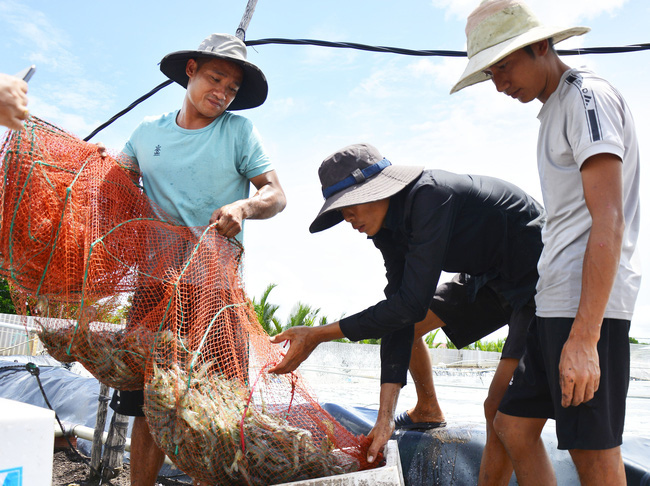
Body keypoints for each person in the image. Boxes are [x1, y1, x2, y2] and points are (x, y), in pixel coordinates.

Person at [270, 142, 545, 480]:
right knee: (408, 327)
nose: (347, 218)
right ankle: (427, 408)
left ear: (376, 189)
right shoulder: (387, 231)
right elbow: (401, 315)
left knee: (499, 411)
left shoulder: (431, 196)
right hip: (488, 274)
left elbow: (411, 303)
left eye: (349, 206)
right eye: (341, 212)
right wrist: (385, 418)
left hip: (537, 272)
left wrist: (319, 334)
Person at [450, 1, 641, 485]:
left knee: (592, 452)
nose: (499, 83)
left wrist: (584, 338)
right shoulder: (554, 108)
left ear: (540, 45)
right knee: (512, 425)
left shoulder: (585, 98)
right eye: (490, 73)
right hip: (553, 301)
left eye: (505, 66)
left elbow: (609, 219)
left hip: (586, 308)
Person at [107, 33, 286, 486]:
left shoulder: (239, 132)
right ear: (190, 70)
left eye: (231, 88)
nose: (222, 93)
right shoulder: (147, 134)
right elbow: (115, 188)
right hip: (154, 287)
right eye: (215, 78)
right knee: (149, 399)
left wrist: (243, 208)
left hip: (215, 292)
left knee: (216, 410)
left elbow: (276, 194)